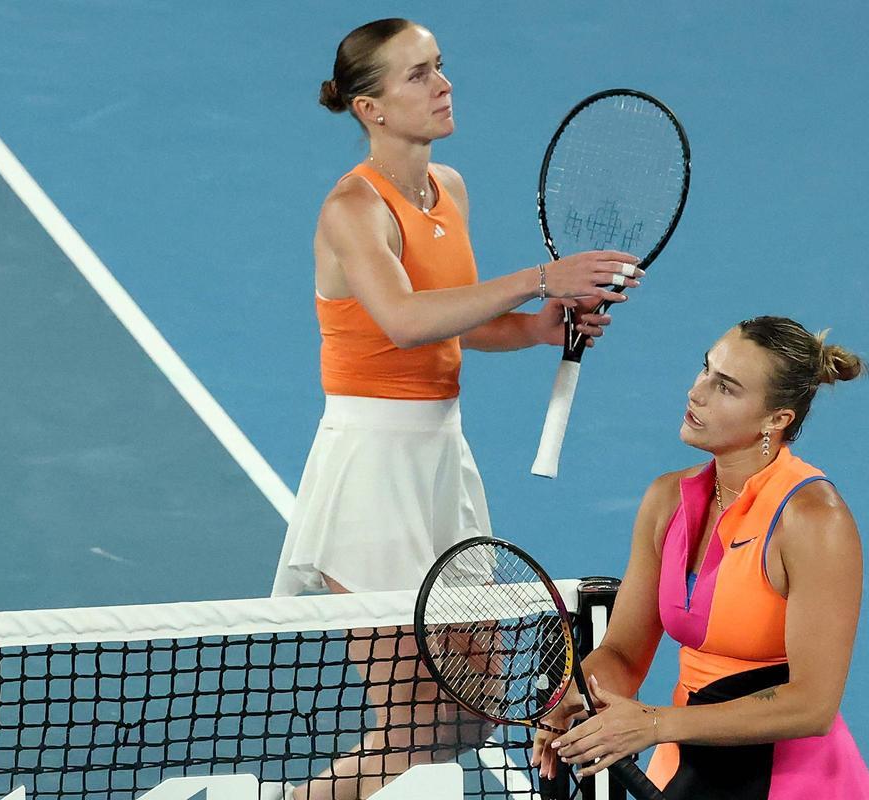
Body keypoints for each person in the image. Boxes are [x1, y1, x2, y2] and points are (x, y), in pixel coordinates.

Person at [267, 18, 640, 800]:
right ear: (369, 108)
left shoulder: (451, 190)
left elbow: (455, 319)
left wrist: (537, 330)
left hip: (443, 461)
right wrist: (541, 279)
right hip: (371, 473)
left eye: (440, 67)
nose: (442, 85)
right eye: (416, 75)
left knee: (466, 720)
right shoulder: (352, 210)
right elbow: (404, 321)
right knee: (412, 727)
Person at [532, 316, 869, 799]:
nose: (697, 393)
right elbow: (624, 653)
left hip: (790, 780)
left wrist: (654, 724)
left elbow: (812, 706)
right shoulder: (666, 499)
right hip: (688, 762)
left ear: (776, 419)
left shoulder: (813, 520)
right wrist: (577, 696)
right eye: (705, 370)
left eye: (726, 388)